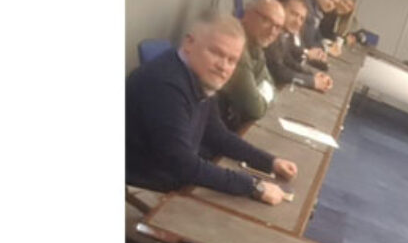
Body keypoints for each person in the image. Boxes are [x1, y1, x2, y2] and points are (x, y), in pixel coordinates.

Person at [125, 13, 298, 205]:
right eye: (216, 53)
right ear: (189, 43)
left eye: (232, 60)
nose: (223, 67)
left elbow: (218, 135)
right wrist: (254, 186)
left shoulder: (200, 76)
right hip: (140, 189)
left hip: (171, 181)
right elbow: (181, 163)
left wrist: (270, 162)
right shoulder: (166, 85)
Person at [216, 0, 286, 130]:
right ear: (247, 14)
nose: (272, 31)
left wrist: (262, 94)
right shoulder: (236, 48)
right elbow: (254, 109)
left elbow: (271, 85)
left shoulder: (255, 45)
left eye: (278, 27)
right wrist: (264, 95)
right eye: (266, 20)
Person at [263, 0, 334, 92]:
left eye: (301, 18)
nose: (297, 22)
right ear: (281, 9)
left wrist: (313, 75)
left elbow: (288, 60)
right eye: (294, 14)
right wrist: (312, 82)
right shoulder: (269, 33)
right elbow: (279, 71)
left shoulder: (284, 34)